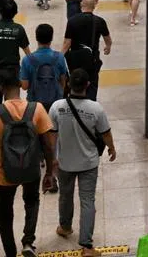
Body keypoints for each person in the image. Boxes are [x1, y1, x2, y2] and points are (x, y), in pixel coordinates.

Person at [0, 67, 56, 257]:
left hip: (4, 173)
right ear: (21, 86)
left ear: (1, 88)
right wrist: (49, 172)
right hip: (31, 169)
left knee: (5, 215)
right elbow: (48, 145)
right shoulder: (37, 109)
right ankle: (28, 242)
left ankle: (10, 253)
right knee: (32, 202)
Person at [50, 68, 116, 257]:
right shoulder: (96, 108)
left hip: (65, 163)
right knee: (87, 200)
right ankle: (86, 246)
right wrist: (112, 148)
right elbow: (106, 134)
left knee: (65, 195)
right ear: (87, 85)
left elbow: (51, 136)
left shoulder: (57, 107)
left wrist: (52, 159)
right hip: (89, 163)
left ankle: (65, 226)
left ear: (69, 84)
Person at [63, 0, 112, 100]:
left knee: (75, 81)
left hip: (75, 60)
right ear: (94, 6)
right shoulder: (100, 21)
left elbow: (67, 43)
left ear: (81, 4)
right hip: (92, 59)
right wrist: (108, 47)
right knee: (92, 84)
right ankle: (90, 103)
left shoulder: (72, 21)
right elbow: (108, 39)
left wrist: (60, 56)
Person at [0, 2, 31, 107]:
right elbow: (28, 53)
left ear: (0, 12)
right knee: (12, 101)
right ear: (15, 13)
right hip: (13, 72)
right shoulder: (19, 29)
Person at [21, 23, 69, 110]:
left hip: (34, 105)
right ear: (51, 38)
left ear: (36, 38)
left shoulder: (27, 60)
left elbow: (24, 86)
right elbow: (63, 83)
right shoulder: (60, 57)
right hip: (55, 103)